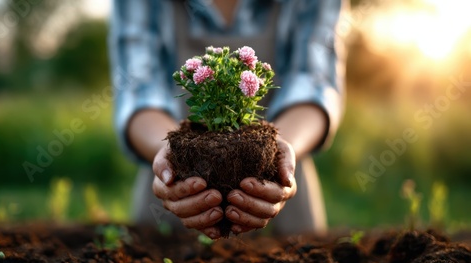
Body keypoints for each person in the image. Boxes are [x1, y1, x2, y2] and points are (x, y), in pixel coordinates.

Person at [109, 0, 346, 239]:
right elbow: (138, 89)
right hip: (172, 193)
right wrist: (169, 152)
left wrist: (279, 152)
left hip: (280, 194)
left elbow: (316, 83)